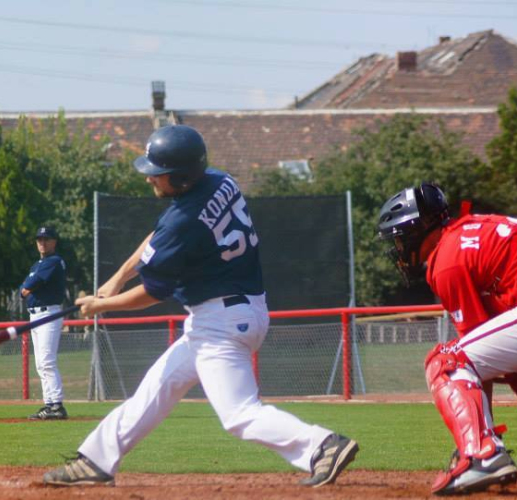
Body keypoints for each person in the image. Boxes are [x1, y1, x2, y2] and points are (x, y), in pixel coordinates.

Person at [43, 124, 358, 487]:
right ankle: (96, 461)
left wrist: (103, 306)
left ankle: (322, 445)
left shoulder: (183, 221)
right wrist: (117, 278)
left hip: (221, 322)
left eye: (157, 174)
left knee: (239, 414)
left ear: (179, 177)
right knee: (156, 388)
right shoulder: (219, 181)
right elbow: (159, 238)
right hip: (234, 311)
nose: (150, 180)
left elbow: (154, 291)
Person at [377, 183, 517, 495]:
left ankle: (482, 453)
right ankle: (485, 448)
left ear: (418, 230)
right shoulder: (469, 234)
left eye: (400, 237)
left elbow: (474, 364)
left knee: (446, 362)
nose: (399, 247)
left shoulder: (447, 260)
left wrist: (482, 438)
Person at [19, 226, 68, 420]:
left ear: (54, 241)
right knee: (40, 363)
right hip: (35, 315)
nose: (42, 242)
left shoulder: (54, 261)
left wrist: (27, 287)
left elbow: (30, 284)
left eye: (46, 239)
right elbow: (22, 289)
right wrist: (26, 287)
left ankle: (57, 404)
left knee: (47, 360)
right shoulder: (37, 264)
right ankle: (49, 403)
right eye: (39, 239)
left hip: (48, 314)